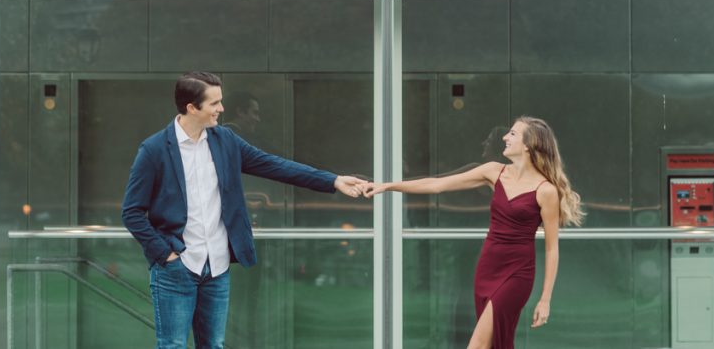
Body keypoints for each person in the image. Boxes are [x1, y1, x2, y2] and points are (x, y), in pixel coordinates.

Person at [122, 71, 366, 349]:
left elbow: (276, 165)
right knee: (172, 345)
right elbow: (131, 212)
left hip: (217, 266)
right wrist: (165, 254)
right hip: (176, 268)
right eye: (214, 103)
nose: (222, 109)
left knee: (214, 344)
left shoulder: (225, 141)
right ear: (192, 107)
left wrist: (333, 180)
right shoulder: (154, 150)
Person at [364, 116, 584, 349]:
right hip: (488, 267)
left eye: (512, 134)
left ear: (529, 144)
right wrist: (387, 186)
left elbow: (551, 249)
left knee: (477, 345)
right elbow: (437, 184)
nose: (504, 137)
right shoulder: (493, 172)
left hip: (517, 274)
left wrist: (545, 299)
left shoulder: (546, 191)